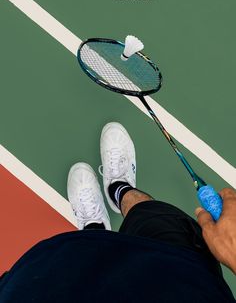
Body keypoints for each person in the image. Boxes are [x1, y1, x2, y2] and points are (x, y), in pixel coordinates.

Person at [0, 122, 235, 302]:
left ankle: (95, 230)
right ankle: (119, 189)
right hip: (178, 277)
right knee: (149, 214)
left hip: (58, 285)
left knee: (84, 255)